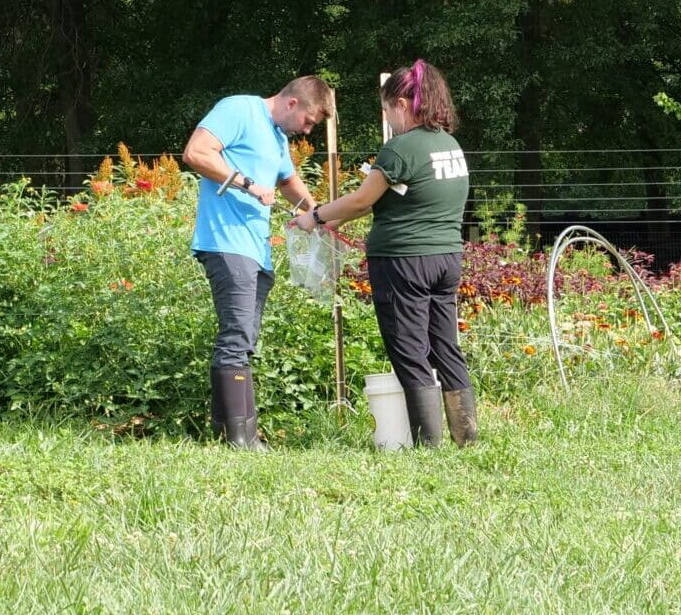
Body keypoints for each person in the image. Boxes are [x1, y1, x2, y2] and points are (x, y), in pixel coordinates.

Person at [308, 60, 476, 446]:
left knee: (410, 350)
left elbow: (362, 201)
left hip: (403, 262)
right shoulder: (449, 145)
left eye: (386, 110)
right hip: (446, 258)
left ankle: (427, 444)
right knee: (445, 346)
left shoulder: (400, 149)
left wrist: (315, 217)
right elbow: (413, 199)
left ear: (401, 103)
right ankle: (466, 437)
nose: (388, 119)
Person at [181, 76, 334, 448]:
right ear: (293, 104)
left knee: (245, 339)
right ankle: (238, 439)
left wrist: (319, 215)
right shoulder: (239, 109)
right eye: (310, 122)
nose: (308, 131)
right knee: (235, 337)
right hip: (226, 242)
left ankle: (240, 435)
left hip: (257, 249)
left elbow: (287, 181)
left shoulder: (278, 137)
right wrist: (246, 183)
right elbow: (196, 153)